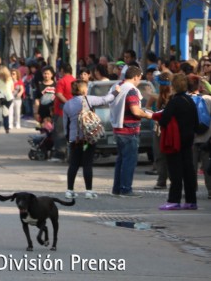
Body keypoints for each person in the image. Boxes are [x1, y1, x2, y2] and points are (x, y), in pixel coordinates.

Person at [63, 80, 116, 199]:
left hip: (75, 140)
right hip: (88, 138)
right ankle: (88, 191)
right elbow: (105, 100)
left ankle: (69, 190)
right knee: (87, 164)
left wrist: (68, 137)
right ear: (83, 90)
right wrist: (116, 92)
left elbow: (65, 124)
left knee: (74, 164)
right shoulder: (88, 99)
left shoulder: (67, 104)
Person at [154, 73, 198, 210]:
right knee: (189, 170)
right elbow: (196, 121)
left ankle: (174, 200)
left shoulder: (174, 101)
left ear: (174, 86)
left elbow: (164, 120)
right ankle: (191, 201)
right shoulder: (190, 101)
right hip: (189, 139)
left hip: (175, 140)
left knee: (175, 171)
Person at [109, 66, 153, 197]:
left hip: (118, 128)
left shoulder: (117, 86)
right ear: (136, 77)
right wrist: (149, 115)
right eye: (139, 78)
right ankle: (126, 189)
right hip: (129, 130)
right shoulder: (131, 90)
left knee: (121, 160)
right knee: (129, 161)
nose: (139, 80)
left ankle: (117, 189)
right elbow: (135, 110)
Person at [0, 66, 14, 134]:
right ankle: (6, 128)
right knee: (6, 112)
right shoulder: (10, 79)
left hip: (1, 97)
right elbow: (12, 89)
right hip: (9, 97)